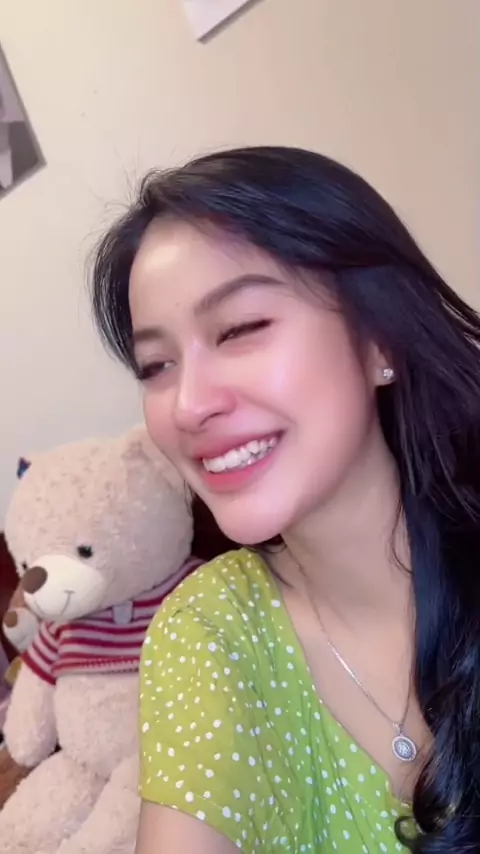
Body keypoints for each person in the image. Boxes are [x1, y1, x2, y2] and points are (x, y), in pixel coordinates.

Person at [90, 146, 480, 853]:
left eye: (239, 329)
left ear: (380, 340)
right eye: (156, 365)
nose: (189, 405)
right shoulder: (210, 630)